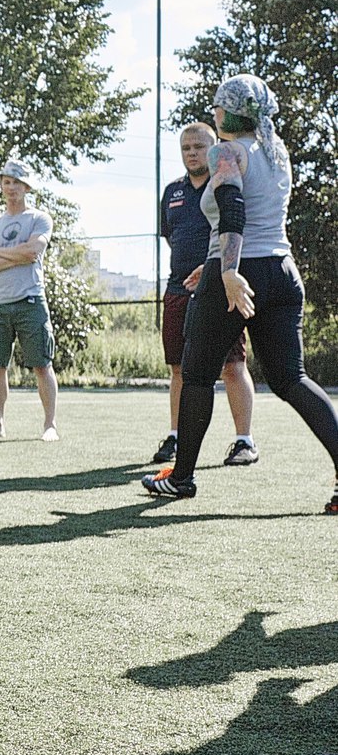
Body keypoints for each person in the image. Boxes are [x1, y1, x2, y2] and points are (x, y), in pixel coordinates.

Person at [142, 75, 338, 513]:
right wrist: (210, 266)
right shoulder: (276, 152)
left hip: (238, 271)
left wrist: (227, 271)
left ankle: (183, 478)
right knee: (292, 378)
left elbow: (233, 211)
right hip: (281, 271)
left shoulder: (225, 150)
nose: (213, 113)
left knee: (195, 375)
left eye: (217, 106)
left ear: (229, 111)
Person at [152, 121, 257, 467]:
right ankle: (176, 436)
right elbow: (170, 236)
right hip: (178, 290)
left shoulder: (225, 182)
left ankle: (244, 441)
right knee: (180, 369)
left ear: (213, 147)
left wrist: (216, 273)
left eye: (199, 146)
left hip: (218, 288)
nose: (193, 153)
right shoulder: (171, 192)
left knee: (232, 365)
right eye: (186, 148)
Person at [0, 159, 59, 443]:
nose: (11, 188)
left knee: (42, 364)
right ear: (1, 186)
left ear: (26, 187)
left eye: (17, 183)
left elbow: (33, 252)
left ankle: (50, 425)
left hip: (30, 300)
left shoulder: (39, 219)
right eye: (6, 182)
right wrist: (16, 254)